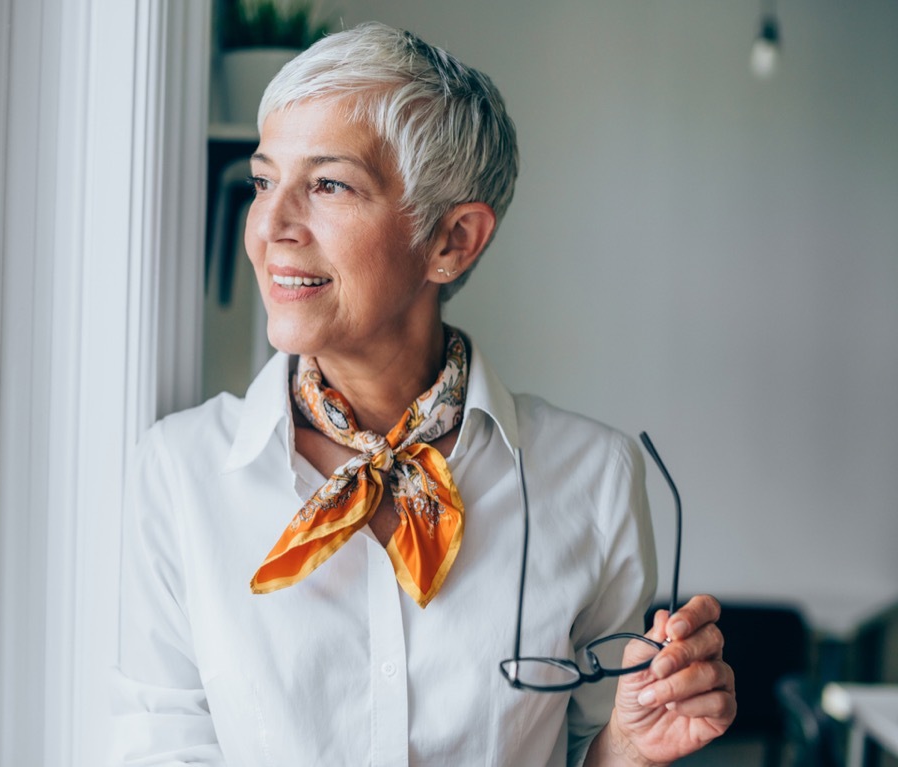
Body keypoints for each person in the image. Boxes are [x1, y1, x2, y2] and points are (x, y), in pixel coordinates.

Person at [113, 21, 735, 766]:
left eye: (328, 184)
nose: (270, 226)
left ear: (453, 241)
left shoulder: (596, 480)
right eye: (264, 180)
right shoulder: (179, 472)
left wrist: (629, 750)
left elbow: (594, 749)